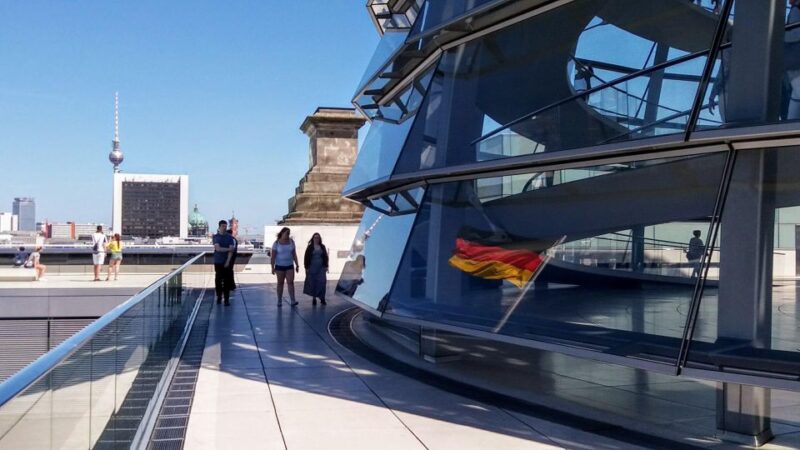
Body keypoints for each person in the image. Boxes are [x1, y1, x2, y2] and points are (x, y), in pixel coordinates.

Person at [271, 227, 300, 307]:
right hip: (279, 266)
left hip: (289, 266)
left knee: (290, 282)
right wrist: (272, 267)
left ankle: (293, 300)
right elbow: (273, 257)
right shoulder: (276, 243)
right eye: (287, 233)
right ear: (282, 233)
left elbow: (294, 254)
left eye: (289, 233)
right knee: (280, 283)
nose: (288, 235)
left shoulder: (291, 242)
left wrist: (297, 264)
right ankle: (279, 300)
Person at [213, 220, 235, 305]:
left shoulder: (229, 237)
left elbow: (231, 251)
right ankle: (219, 296)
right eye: (223, 226)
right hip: (218, 261)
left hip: (226, 262)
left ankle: (226, 299)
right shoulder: (216, 237)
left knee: (227, 281)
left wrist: (228, 261)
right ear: (219, 227)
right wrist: (228, 249)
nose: (224, 228)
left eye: (225, 226)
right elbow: (218, 249)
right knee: (218, 280)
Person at [303, 232, 329, 305]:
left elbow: (325, 256)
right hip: (312, 267)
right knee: (313, 282)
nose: (316, 239)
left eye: (318, 237)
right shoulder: (310, 247)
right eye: (315, 237)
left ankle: (322, 298)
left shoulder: (322, 246)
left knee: (322, 282)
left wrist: (326, 266)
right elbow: (306, 257)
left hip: (321, 267)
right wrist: (306, 267)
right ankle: (314, 298)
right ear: (313, 238)